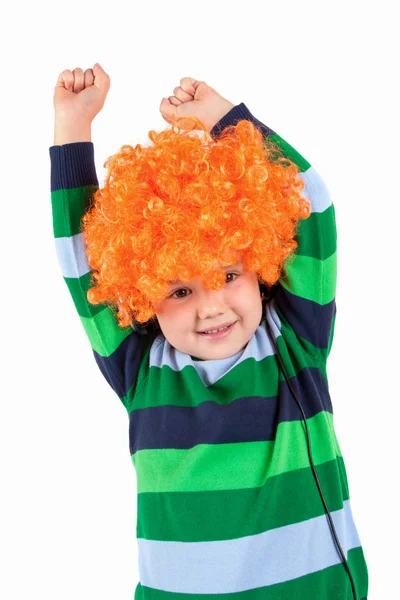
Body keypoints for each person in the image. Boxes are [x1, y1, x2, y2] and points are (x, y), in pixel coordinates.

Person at [50, 64, 369, 599]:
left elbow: (311, 204)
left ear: (259, 262)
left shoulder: (295, 342)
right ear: (140, 294)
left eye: (227, 275)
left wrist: (227, 120)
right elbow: (82, 261)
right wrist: (71, 127)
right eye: (179, 290)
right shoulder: (140, 371)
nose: (212, 307)